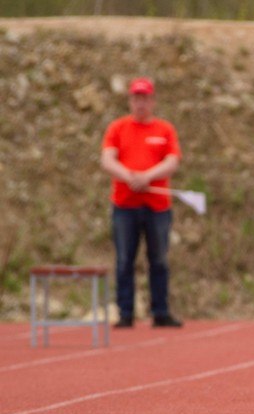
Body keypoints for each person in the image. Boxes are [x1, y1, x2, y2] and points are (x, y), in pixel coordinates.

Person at [101, 77, 183, 328]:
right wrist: (130, 177)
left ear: (152, 101)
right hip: (125, 205)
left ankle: (161, 311)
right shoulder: (117, 128)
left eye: (145, 98)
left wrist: (147, 176)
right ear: (130, 100)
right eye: (136, 98)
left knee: (158, 259)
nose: (140, 103)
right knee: (125, 259)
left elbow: (173, 160)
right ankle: (125, 312)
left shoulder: (164, 129)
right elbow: (107, 159)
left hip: (157, 206)